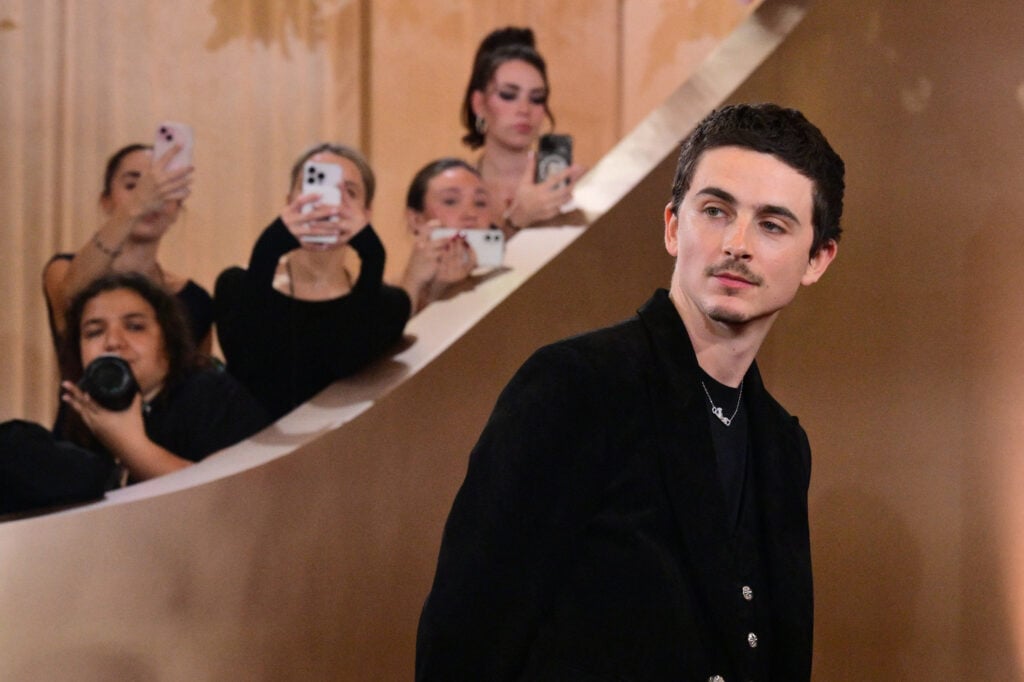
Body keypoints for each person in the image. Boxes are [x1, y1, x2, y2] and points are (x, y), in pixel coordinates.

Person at [416, 103, 844, 681]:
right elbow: (465, 643)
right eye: (716, 211)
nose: (737, 244)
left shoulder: (783, 443)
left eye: (772, 224)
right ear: (673, 226)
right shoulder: (575, 388)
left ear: (817, 259)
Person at [214, 143, 410, 422]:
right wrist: (270, 247)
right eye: (314, 187)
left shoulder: (389, 304)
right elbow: (248, 359)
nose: (331, 204)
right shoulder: (236, 285)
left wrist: (372, 254)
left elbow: (353, 357)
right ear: (289, 202)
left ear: (366, 214)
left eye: (349, 193)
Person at [56, 273, 267, 487]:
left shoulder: (211, 394)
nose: (113, 342)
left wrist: (130, 446)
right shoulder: (79, 403)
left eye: (135, 327)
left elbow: (227, 495)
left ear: (167, 340)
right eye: (94, 332)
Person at [43, 143, 213, 354]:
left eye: (163, 187)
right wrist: (136, 205)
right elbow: (73, 298)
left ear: (178, 208)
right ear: (106, 201)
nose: (152, 197)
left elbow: (202, 380)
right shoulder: (63, 268)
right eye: (133, 185)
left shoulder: (195, 299)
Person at [461, 26, 586, 236]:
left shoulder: (569, 186)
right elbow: (454, 267)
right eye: (508, 95)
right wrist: (515, 221)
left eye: (537, 98)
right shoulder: (456, 190)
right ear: (479, 103)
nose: (524, 110)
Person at [400, 157, 496, 313]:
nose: (471, 214)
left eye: (480, 203)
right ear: (415, 220)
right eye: (451, 201)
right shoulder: (386, 293)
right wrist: (416, 283)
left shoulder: (508, 281)